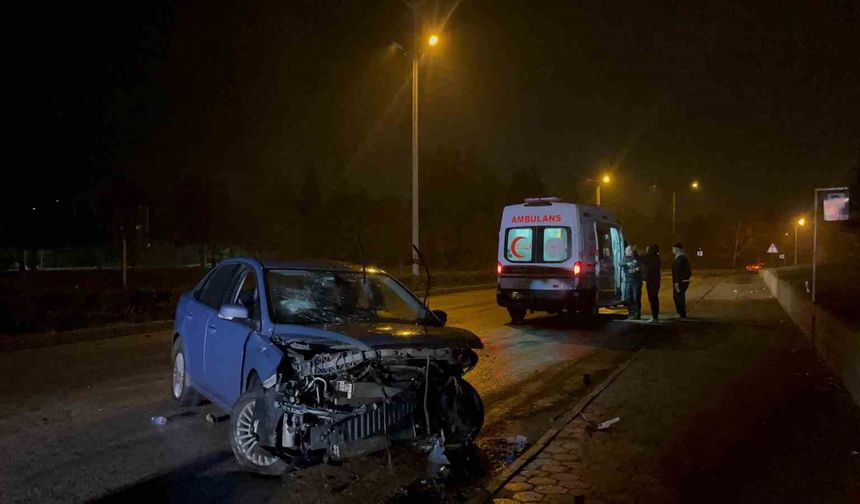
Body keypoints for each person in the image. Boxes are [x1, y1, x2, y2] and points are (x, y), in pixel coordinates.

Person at [640, 244, 661, 322]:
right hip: (655, 281)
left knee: (653, 299)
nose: (646, 250)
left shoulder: (652, 258)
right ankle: (655, 317)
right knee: (654, 299)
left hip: (652, 282)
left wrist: (635, 252)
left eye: (648, 249)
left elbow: (642, 259)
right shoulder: (656, 257)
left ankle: (655, 317)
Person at [622, 245, 643, 320]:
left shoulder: (636, 258)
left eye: (628, 250)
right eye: (626, 250)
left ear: (631, 251)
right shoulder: (625, 258)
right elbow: (620, 263)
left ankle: (637, 314)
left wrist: (636, 270)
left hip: (636, 281)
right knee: (628, 297)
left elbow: (640, 266)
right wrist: (627, 264)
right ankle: (631, 313)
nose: (626, 252)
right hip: (628, 281)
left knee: (636, 297)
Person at [671, 242, 692, 318]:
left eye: (673, 248)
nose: (672, 250)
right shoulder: (683, 257)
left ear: (677, 249)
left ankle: (681, 313)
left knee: (678, 297)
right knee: (679, 297)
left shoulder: (680, 258)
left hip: (680, 282)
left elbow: (677, 271)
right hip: (683, 281)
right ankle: (681, 313)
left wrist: (676, 282)